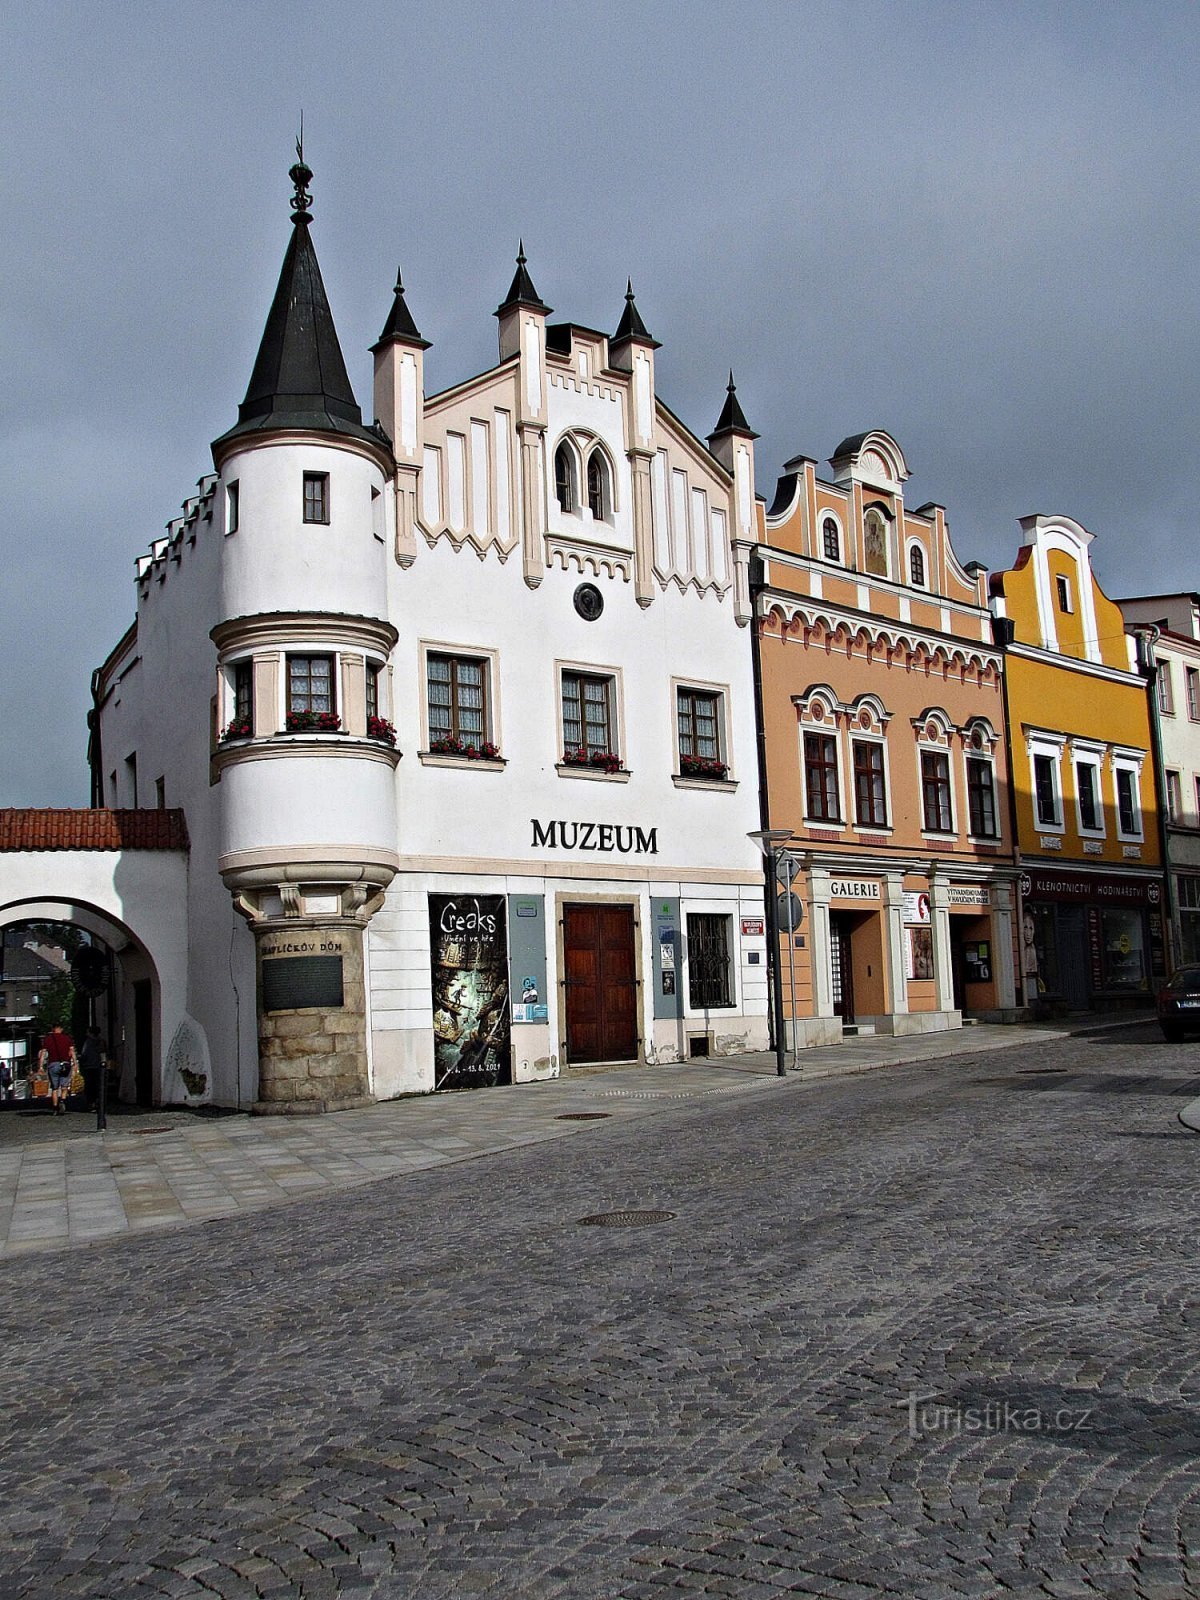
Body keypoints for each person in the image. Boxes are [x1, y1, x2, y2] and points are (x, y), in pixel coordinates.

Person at [38, 1023, 77, 1116]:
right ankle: (62, 1101)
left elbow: (43, 1053)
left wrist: (40, 1066)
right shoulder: (67, 1038)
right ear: (61, 1029)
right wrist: (75, 1063)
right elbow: (71, 1051)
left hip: (53, 1064)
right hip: (66, 1064)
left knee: (54, 1088)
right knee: (64, 1086)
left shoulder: (48, 1039)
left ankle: (55, 1108)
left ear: (53, 1029)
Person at [78, 1027, 104, 1111]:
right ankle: (98, 1102)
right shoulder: (101, 1041)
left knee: (89, 1086)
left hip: (89, 1066)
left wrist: (81, 1060)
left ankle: (91, 1103)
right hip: (99, 1066)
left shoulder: (88, 1042)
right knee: (98, 1085)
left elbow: (84, 1054)